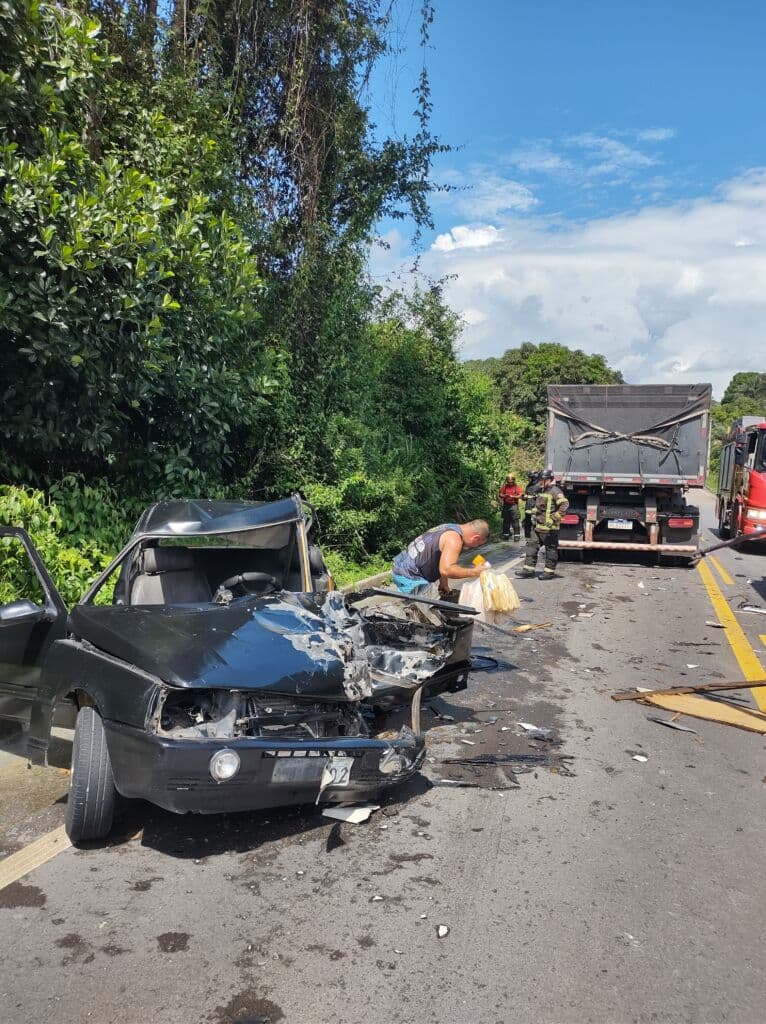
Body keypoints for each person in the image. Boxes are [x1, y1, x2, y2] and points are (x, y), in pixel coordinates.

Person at [392, 519, 491, 597]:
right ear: (475, 538)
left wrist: (444, 583)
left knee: (433, 606)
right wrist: (474, 572)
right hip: (410, 576)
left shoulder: (450, 527)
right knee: (428, 616)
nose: (475, 547)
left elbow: (442, 559)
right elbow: (446, 570)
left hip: (401, 566)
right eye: (478, 544)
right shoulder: (454, 540)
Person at [516, 470, 569, 580]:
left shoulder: (556, 491)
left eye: (541, 480)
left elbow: (564, 505)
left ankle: (549, 572)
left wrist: (553, 519)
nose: (540, 482)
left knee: (550, 550)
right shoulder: (541, 490)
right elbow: (540, 505)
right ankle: (528, 570)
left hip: (550, 529)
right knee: (531, 547)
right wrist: (534, 511)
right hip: (538, 526)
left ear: (548, 480)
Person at [498, 473, 523, 541]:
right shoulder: (505, 487)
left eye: (511, 482)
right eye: (508, 482)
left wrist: (513, 496)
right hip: (506, 506)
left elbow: (520, 495)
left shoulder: (516, 487)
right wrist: (504, 496)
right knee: (506, 521)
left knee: (515, 521)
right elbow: (500, 494)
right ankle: (506, 535)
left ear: (513, 481)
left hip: (514, 505)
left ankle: (517, 535)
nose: (510, 483)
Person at [522, 470, 542, 539]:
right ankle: (528, 537)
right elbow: (525, 495)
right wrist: (523, 497)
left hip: (535, 507)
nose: (529, 479)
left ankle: (536, 538)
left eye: (530, 477)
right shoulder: (529, 485)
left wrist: (536, 496)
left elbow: (543, 496)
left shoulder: (540, 486)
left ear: (534, 478)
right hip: (528, 507)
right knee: (527, 523)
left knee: (535, 523)